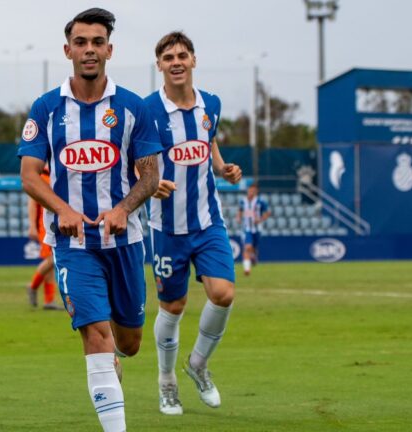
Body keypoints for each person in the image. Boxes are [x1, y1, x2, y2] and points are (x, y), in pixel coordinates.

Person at [18, 8, 160, 431]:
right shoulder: (45, 109)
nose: (89, 50)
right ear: (68, 50)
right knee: (95, 335)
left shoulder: (133, 107)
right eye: (81, 42)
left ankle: (113, 357)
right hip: (72, 245)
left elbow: (151, 175)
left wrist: (122, 208)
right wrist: (62, 209)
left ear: (109, 50)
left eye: (97, 42)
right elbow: (29, 175)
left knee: (128, 343)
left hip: (125, 242)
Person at [144, 31, 242, 416]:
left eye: (182, 55)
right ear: (160, 66)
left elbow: (209, 140)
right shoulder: (148, 110)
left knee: (224, 294)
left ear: (194, 60)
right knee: (173, 305)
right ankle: (166, 381)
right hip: (166, 227)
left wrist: (222, 167)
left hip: (207, 222)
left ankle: (198, 364)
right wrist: (150, 185)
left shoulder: (211, 104)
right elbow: (132, 157)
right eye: (168, 57)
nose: (176, 62)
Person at [25, 167, 63, 310]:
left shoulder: (52, 174)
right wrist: (32, 227)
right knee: (51, 259)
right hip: (45, 225)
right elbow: (32, 203)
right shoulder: (41, 176)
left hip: (52, 223)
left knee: (51, 261)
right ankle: (33, 285)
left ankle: (49, 300)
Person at [237, 183, 270, 276]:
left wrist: (260, 220)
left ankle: (254, 256)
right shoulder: (243, 201)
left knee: (254, 248)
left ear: (256, 191)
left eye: (253, 190)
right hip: (246, 229)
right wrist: (238, 217)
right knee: (247, 247)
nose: (251, 192)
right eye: (250, 190)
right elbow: (240, 210)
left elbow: (267, 213)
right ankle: (247, 269)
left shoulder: (260, 201)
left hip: (257, 229)